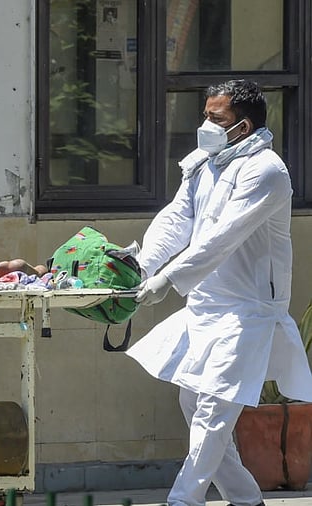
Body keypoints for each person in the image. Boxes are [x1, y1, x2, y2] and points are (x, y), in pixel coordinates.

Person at [127, 80, 312, 506]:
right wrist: (144, 264)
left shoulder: (266, 171)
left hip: (248, 311)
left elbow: (220, 239)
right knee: (192, 403)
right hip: (206, 305)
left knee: (212, 412)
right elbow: (178, 217)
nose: (205, 125)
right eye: (206, 114)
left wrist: (168, 280)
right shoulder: (205, 162)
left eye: (216, 118)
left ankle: (182, 500)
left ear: (243, 126)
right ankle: (246, 498)